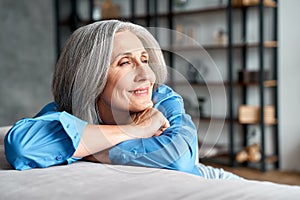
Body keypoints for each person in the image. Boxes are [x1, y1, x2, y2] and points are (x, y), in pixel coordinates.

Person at [4, 20, 241, 179]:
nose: (147, 75)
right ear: (90, 77)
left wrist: (89, 149)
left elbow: (178, 159)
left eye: (145, 60)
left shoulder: (162, 99)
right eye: (125, 62)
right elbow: (23, 147)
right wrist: (135, 130)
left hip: (213, 178)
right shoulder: (65, 110)